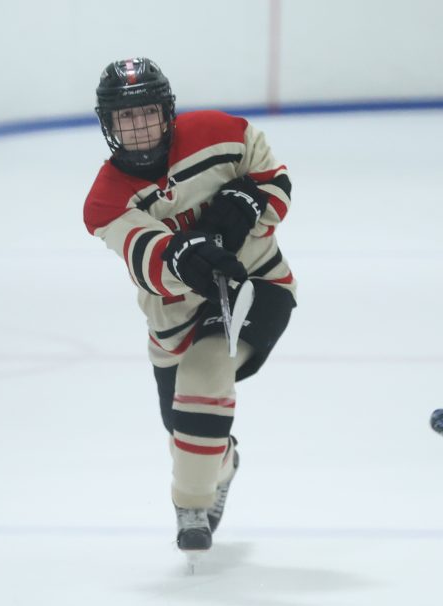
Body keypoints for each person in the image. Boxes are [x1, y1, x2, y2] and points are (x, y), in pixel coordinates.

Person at [83, 58, 296, 554]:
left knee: (205, 372)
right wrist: (180, 257)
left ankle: (191, 506)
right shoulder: (105, 201)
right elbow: (146, 259)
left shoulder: (222, 134)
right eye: (125, 117)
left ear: (167, 111)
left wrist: (250, 205)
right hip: (174, 319)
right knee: (186, 431)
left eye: (147, 112)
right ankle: (221, 463)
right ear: (109, 125)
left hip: (258, 283)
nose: (139, 126)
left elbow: (276, 182)